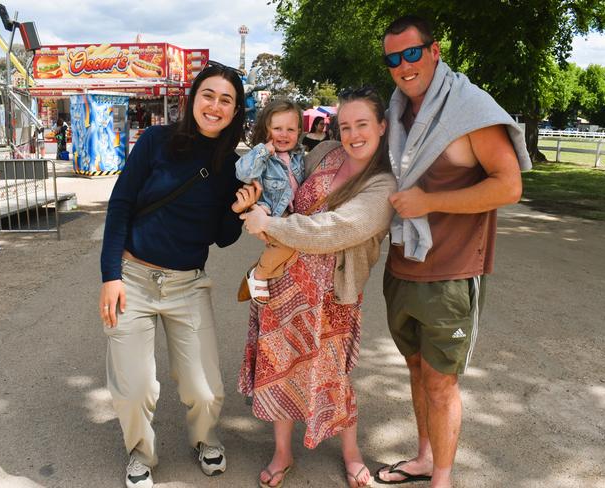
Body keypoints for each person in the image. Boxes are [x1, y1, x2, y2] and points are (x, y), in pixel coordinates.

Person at [374, 16, 531, 488]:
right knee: (417, 370)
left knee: (441, 383)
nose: (403, 66)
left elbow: (509, 187)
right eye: (392, 59)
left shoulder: (470, 108)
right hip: (404, 264)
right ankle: (424, 458)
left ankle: (442, 480)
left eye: (411, 53)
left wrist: (431, 202)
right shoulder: (398, 111)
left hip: (451, 272)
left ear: (435, 51)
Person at [99, 61, 259, 488]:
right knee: (134, 388)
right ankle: (140, 453)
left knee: (206, 390)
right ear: (193, 99)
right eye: (208, 95)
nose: (215, 105)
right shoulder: (155, 141)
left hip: (187, 284)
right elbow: (120, 207)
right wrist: (109, 275)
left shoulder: (233, 166)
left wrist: (239, 211)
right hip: (132, 278)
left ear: (235, 110)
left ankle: (204, 438)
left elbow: (221, 238)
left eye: (227, 100)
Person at [238, 87, 397, 488]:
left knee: (332, 376)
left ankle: (351, 453)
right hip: (283, 281)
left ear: (382, 126)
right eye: (345, 125)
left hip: (331, 296)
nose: (353, 134)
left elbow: (336, 230)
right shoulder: (326, 152)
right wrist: (259, 204)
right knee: (278, 366)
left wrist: (271, 226)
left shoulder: (382, 184)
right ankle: (282, 451)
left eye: (362, 124)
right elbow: (288, 190)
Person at [235, 99, 305, 303]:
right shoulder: (264, 156)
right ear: (267, 130)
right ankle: (259, 275)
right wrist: (263, 151)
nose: (284, 134)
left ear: (299, 131)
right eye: (277, 128)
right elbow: (243, 172)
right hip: (269, 211)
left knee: (294, 251)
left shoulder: (298, 156)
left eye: (290, 129)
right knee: (286, 246)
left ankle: (269, 275)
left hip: (291, 213)